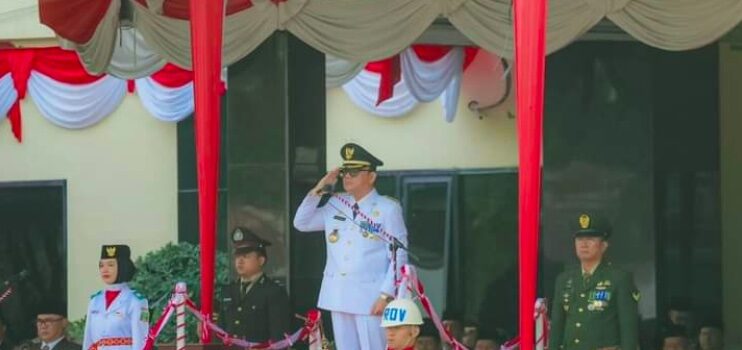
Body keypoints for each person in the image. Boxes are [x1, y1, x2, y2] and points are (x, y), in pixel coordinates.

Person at [293, 143, 409, 349]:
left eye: (354, 172)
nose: (347, 176)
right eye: (345, 172)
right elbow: (301, 223)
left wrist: (386, 294)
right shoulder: (335, 203)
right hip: (338, 295)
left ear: (371, 177)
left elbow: (398, 256)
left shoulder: (387, 209)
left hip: (371, 297)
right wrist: (319, 188)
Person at [548, 213, 640, 350]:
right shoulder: (564, 280)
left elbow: (629, 331)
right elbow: (557, 328)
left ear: (603, 245)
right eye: (579, 239)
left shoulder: (619, 278)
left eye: (590, 239)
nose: (584, 244)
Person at [219, 227, 291, 343]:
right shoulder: (228, 290)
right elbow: (220, 333)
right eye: (237, 256)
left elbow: (279, 337)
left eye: (246, 256)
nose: (239, 261)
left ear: (261, 260)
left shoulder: (274, 292)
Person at [82, 245, 148, 350]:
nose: (105, 270)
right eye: (101, 265)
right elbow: (88, 340)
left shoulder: (136, 301)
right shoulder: (94, 301)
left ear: (123, 267)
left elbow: (140, 340)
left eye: (111, 265)